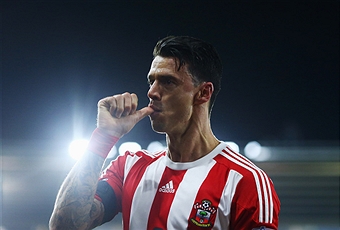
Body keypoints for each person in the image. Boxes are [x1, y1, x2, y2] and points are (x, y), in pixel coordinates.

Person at [49, 35, 280, 230]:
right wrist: (103, 137)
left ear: (203, 93)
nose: (152, 92)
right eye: (151, 81)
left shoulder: (245, 181)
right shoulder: (129, 167)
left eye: (168, 82)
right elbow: (65, 225)